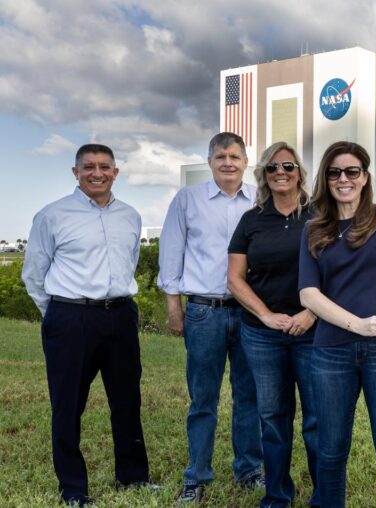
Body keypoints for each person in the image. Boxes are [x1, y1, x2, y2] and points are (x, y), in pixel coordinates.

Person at [22, 144, 154, 505]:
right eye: (89, 167)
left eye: (105, 167)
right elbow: (34, 274)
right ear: (75, 172)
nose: (97, 173)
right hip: (70, 318)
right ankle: (74, 489)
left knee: (127, 401)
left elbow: (130, 262)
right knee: (68, 405)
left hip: (121, 315)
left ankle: (133, 478)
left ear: (116, 171)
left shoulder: (130, 215)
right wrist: (61, 313)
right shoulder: (52, 216)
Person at [158, 132, 263, 503]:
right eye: (221, 156)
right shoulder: (188, 200)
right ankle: (196, 476)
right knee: (203, 398)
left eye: (235, 156)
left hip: (251, 314)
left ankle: (249, 470)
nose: (229, 163)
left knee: (249, 396)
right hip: (205, 312)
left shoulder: (261, 200)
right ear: (210, 161)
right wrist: (175, 307)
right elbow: (171, 254)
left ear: (246, 162)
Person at [298, 140, 376, 507]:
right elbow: (308, 295)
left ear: (365, 177)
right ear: (326, 179)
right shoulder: (314, 228)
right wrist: (356, 324)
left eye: (352, 171)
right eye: (334, 172)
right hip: (330, 351)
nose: (343, 178)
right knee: (330, 452)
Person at [227, 142, 319, 507]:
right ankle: (278, 496)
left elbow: (336, 271)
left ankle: (324, 496)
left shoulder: (319, 214)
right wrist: (265, 315)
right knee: (273, 417)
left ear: (299, 172)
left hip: (312, 332)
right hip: (262, 334)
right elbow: (235, 278)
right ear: (263, 175)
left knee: (316, 418)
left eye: (288, 166)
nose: (281, 172)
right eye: (272, 168)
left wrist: (311, 313)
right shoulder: (251, 220)